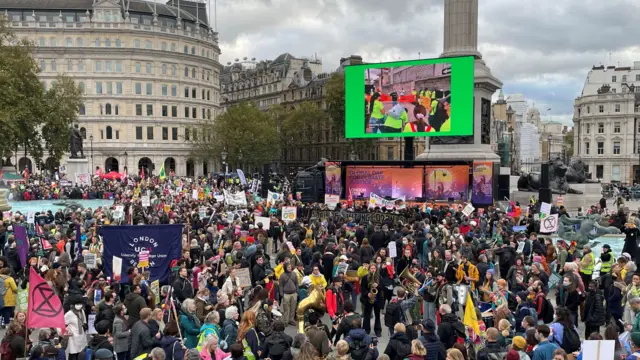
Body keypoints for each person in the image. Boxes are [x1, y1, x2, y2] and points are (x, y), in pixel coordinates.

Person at [279, 262, 299, 326]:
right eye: (288, 267)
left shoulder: (294, 274)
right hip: (286, 294)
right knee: (286, 309)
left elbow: (297, 283)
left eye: (290, 267)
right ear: (285, 268)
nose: (290, 268)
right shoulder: (282, 275)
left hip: (294, 293)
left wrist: (297, 291)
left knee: (293, 308)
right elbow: (281, 285)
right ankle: (286, 321)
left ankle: (291, 320)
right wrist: (281, 294)